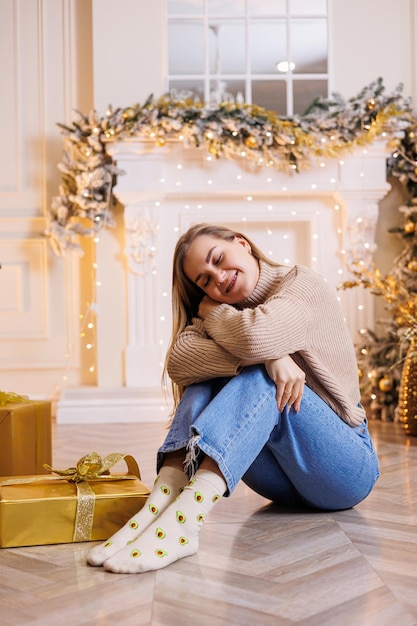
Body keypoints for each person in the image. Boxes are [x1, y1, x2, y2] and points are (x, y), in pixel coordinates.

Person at [87, 222, 380, 574]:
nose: (217, 277)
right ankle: (161, 503)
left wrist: (219, 316)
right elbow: (180, 362)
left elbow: (259, 336)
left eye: (218, 258)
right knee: (206, 379)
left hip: (344, 469)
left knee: (259, 378)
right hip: (282, 484)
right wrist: (274, 356)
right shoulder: (231, 318)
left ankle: (183, 524)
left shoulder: (302, 285)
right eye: (205, 281)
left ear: (242, 243)